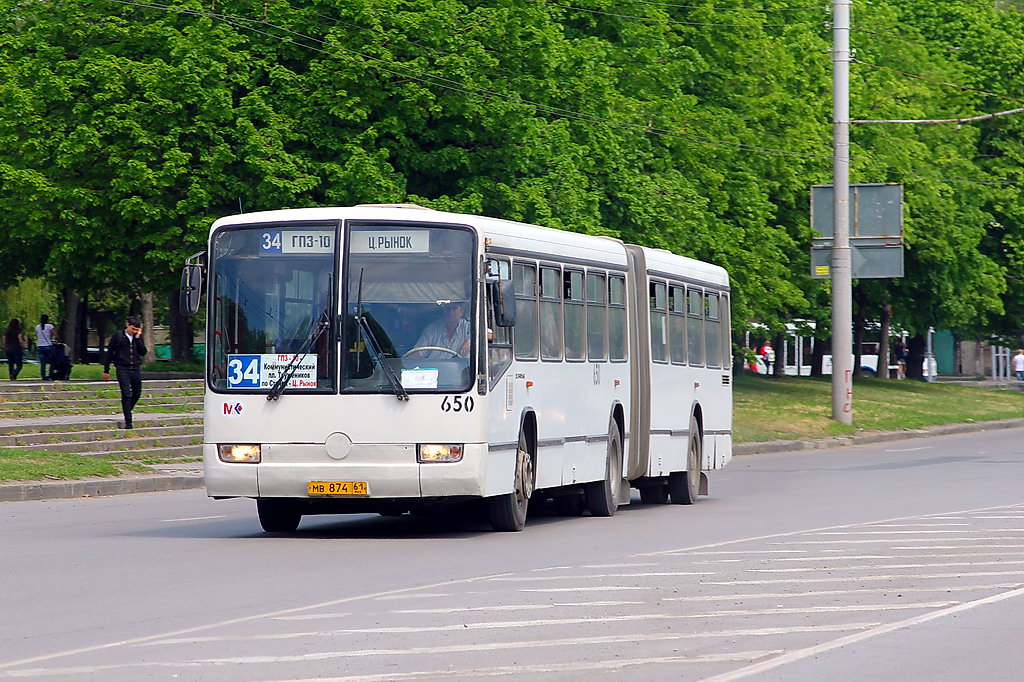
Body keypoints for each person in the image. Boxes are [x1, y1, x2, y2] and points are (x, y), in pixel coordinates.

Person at [103, 315, 147, 429]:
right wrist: (106, 370)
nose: (134, 331)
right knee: (126, 393)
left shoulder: (137, 337)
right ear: (127, 325)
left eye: (137, 329)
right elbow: (110, 353)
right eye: (133, 329)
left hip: (135, 368)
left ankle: (127, 408)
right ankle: (128, 421)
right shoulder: (118, 336)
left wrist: (138, 338)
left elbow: (143, 352)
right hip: (123, 368)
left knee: (137, 393)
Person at [35, 314, 57, 380]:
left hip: (40, 346)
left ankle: (43, 376)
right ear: (47, 319)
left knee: (43, 363)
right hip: (48, 346)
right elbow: (56, 334)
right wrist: (55, 339)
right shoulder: (50, 326)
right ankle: (50, 375)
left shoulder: (37, 327)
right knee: (52, 362)